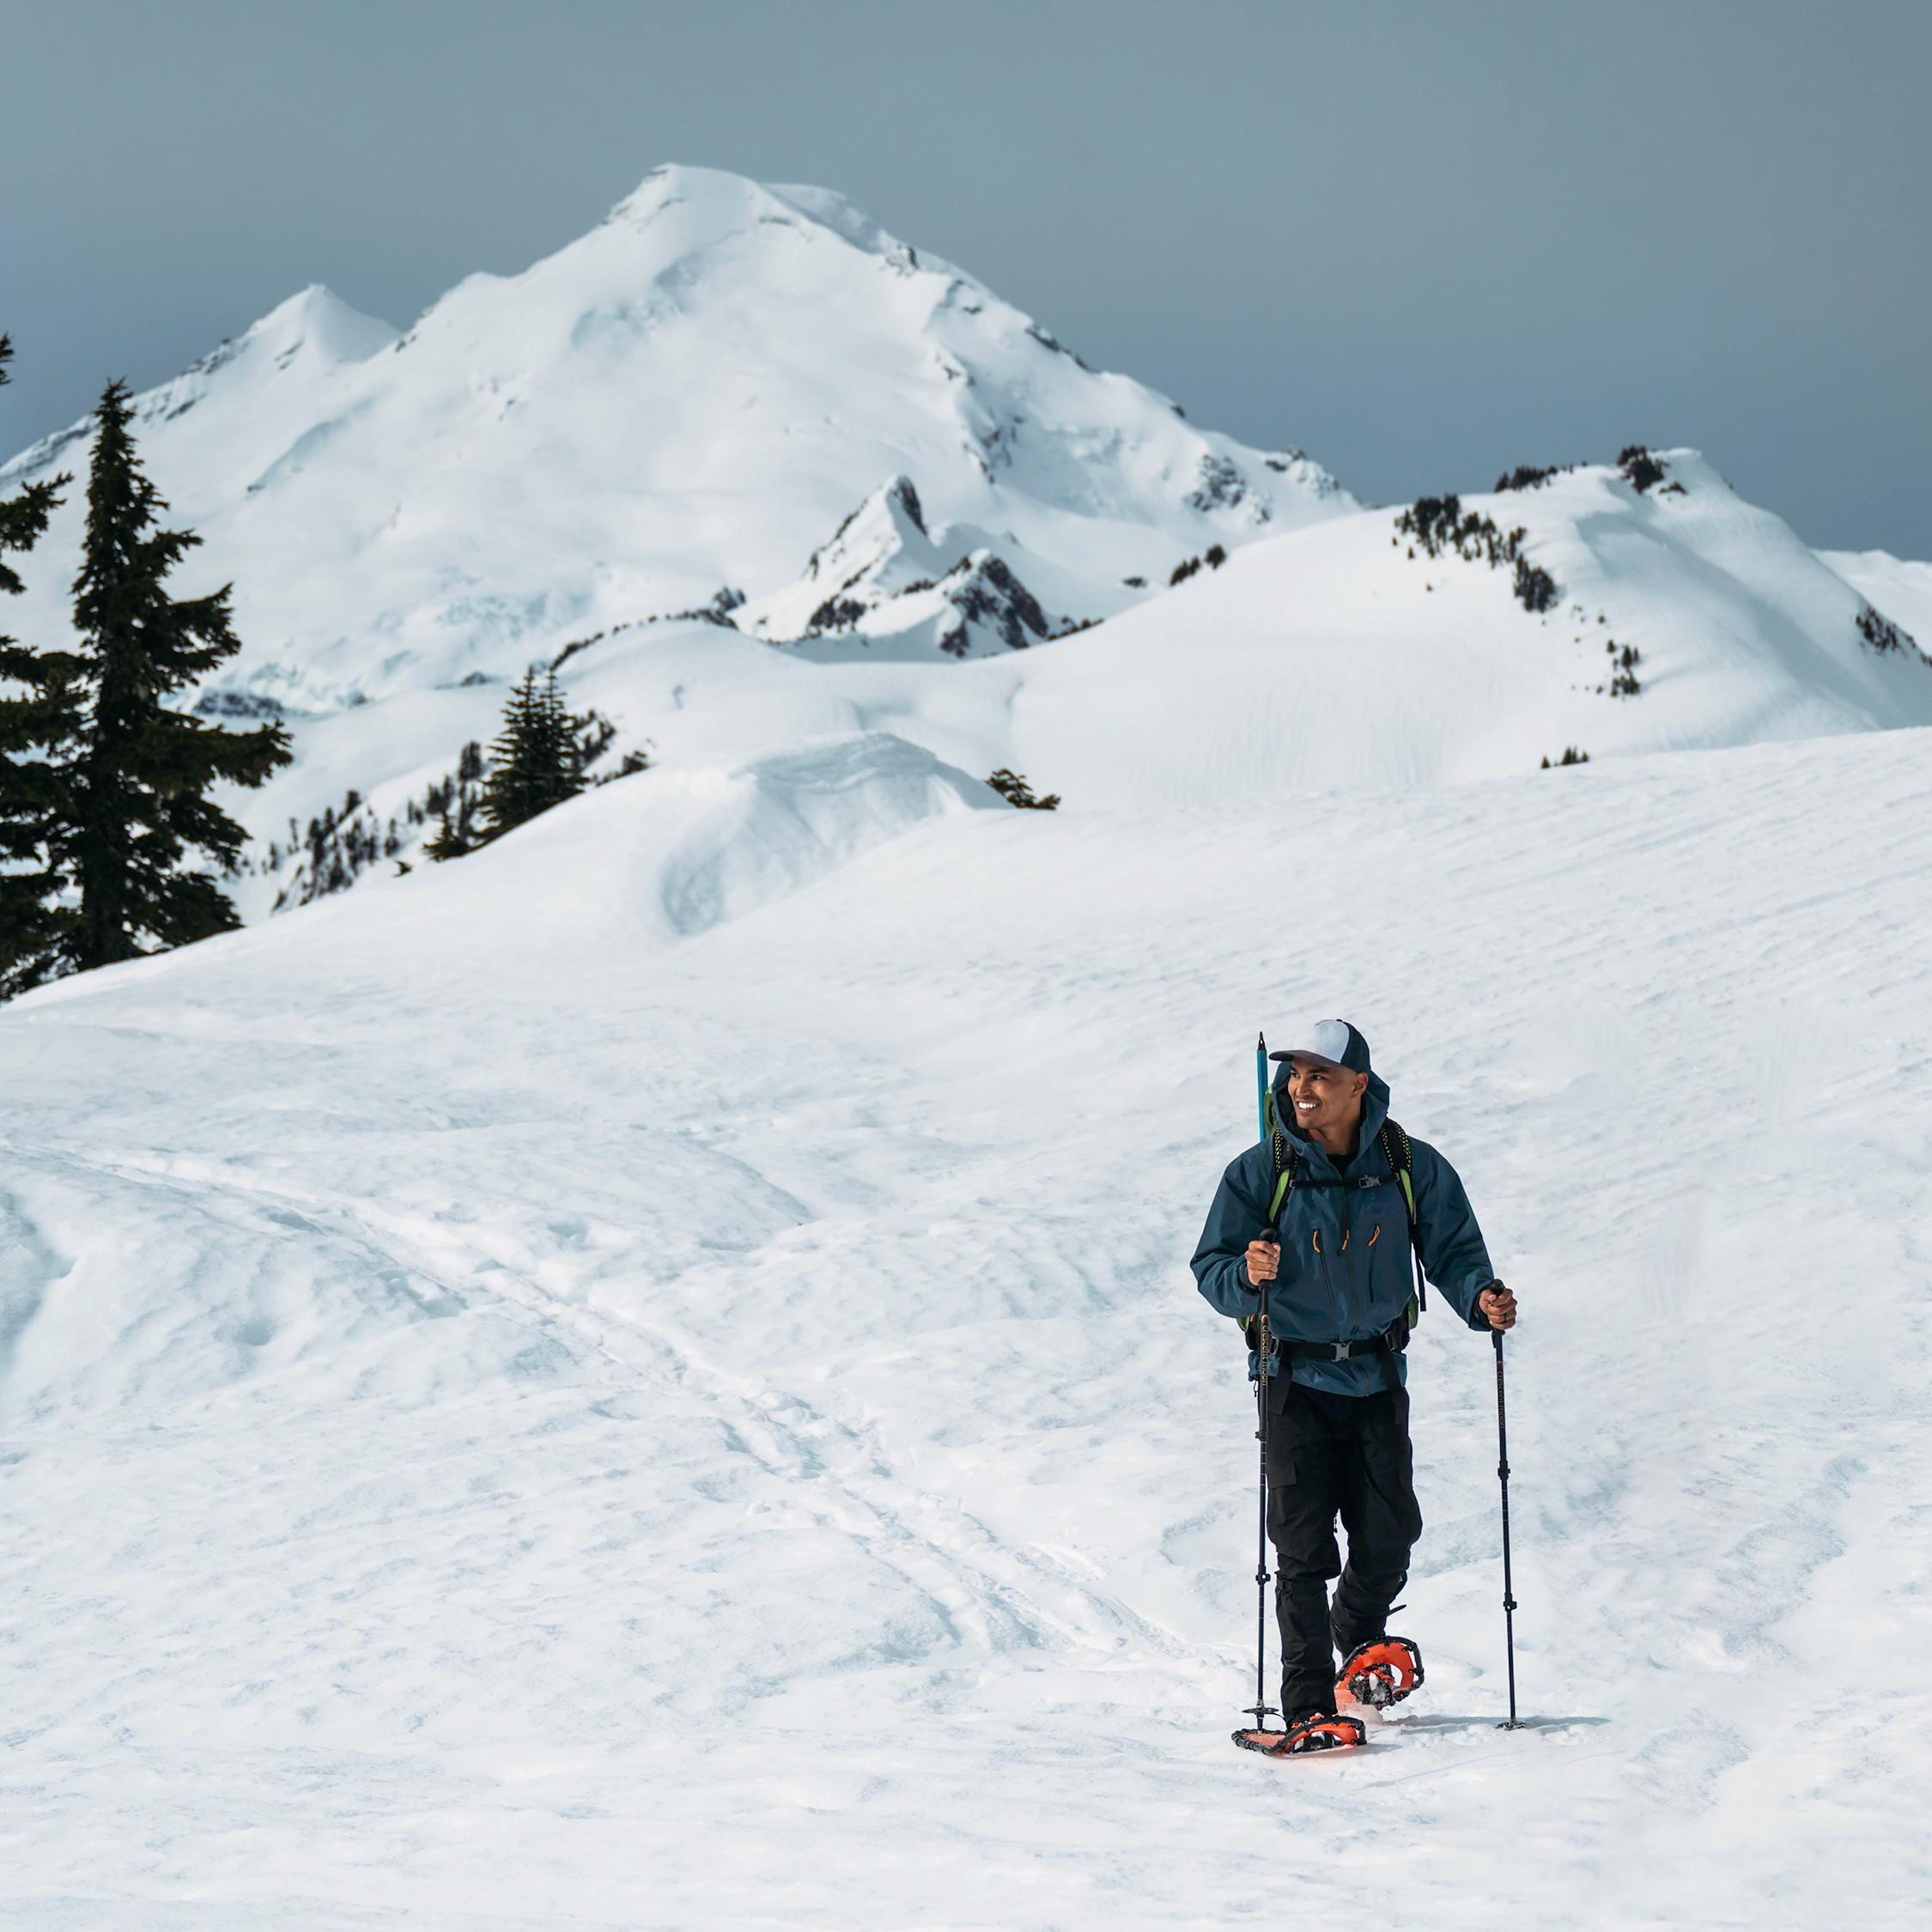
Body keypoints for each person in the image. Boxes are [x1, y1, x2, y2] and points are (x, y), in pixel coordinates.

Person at [1190, 1019, 1517, 1754]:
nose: (1302, 1089)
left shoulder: (1407, 1163)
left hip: (1376, 1374)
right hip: (1291, 1378)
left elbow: (1454, 1250)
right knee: (1303, 1551)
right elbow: (1210, 1269)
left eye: (1319, 1077)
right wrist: (1247, 1275)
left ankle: (1357, 1649)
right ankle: (1307, 1705)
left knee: (1390, 1532)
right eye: (1296, 1075)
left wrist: (1480, 1299)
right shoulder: (1260, 1170)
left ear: (1358, 1085)